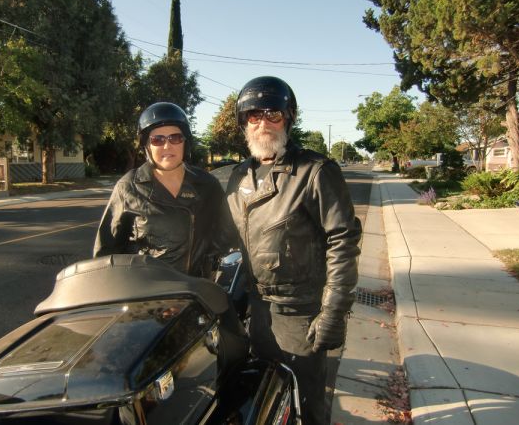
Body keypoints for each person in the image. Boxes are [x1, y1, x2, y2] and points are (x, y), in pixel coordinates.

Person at [225, 76, 362, 425]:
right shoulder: (238, 177)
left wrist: (333, 313)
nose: (263, 123)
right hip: (256, 313)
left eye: (273, 114)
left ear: (288, 117)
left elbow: (343, 243)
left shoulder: (315, 172)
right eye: (254, 115)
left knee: (307, 403)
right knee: (265, 404)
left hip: (300, 314)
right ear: (243, 122)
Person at [93, 102, 232, 279]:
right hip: (147, 294)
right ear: (147, 146)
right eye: (157, 140)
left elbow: (224, 232)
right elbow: (106, 251)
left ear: (185, 142)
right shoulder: (128, 186)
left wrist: (210, 267)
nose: (167, 146)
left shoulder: (207, 184)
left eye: (175, 138)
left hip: (196, 292)